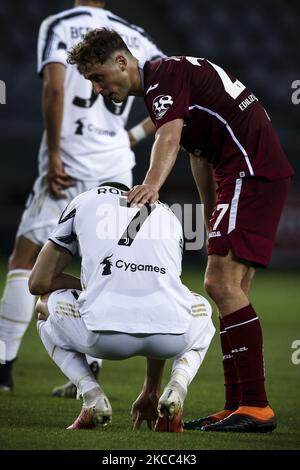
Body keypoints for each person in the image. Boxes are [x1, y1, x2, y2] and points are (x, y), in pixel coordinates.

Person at [66, 28, 294, 432]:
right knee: (233, 291)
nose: (99, 89)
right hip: (248, 169)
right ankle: (238, 404)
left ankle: (257, 406)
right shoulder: (171, 83)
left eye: (99, 77)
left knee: (219, 284)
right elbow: (198, 155)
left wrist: (151, 184)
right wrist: (210, 217)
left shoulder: (163, 79)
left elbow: (169, 139)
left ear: (122, 61)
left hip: (248, 169)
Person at [0, 1, 163, 395]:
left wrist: (54, 154)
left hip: (68, 164)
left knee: (25, 257)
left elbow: (54, 87)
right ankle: (89, 368)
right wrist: (131, 137)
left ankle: (3, 365)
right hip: (115, 167)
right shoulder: (134, 34)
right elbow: (172, 95)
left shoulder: (58, 24)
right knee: (105, 264)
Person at [28, 182, 215, 431]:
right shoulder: (167, 213)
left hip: (101, 338)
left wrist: (97, 284)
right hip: (171, 338)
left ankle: (91, 395)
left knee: (43, 306)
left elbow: (38, 282)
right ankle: (176, 386)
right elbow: (162, 292)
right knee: (200, 307)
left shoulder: (84, 201)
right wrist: (151, 388)